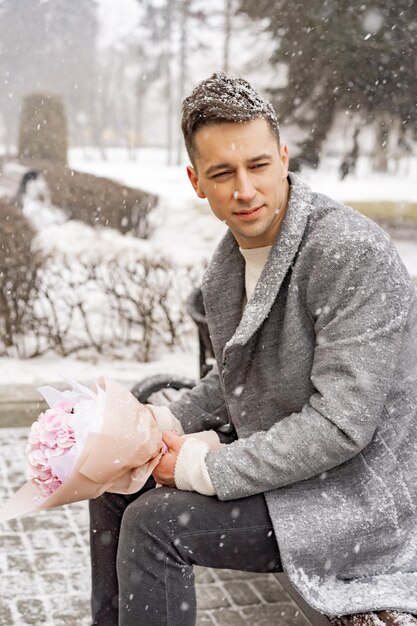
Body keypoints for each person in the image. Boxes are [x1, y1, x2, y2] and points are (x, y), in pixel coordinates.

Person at [89, 73, 417, 625]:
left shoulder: (346, 253)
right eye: (223, 173)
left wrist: (201, 465)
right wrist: (157, 421)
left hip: (363, 496)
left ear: (284, 155)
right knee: (114, 485)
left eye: (258, 165)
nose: (245, 190)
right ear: (196, 181)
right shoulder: (229, 264)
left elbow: (341, 425)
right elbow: (239, 376)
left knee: (157, 523)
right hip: (297, 467)